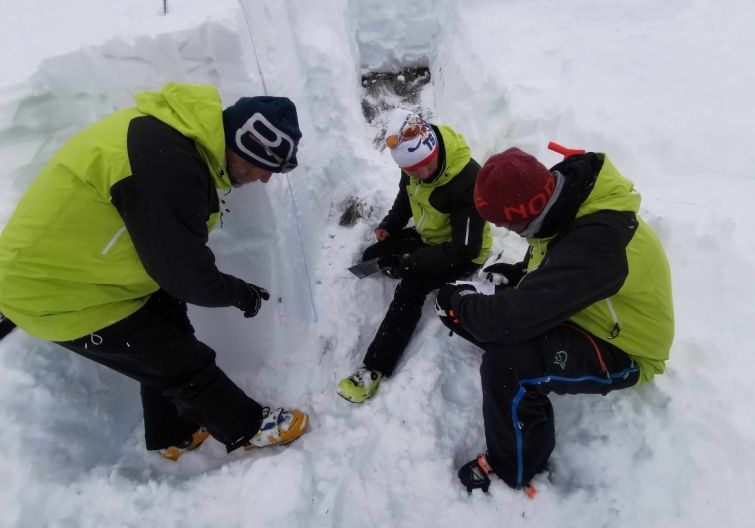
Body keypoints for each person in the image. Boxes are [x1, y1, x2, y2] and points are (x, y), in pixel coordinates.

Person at [0, 82, 309, 461]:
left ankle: (174, 432)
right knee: (179, 360)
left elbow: (172, 258)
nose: (265, 179)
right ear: (243, 148)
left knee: (167, 323)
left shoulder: (171, 139)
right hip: (54, 294)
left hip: (81, 270)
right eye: (267, 168)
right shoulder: (170, 168)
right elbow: (187, 276)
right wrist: (238, 293)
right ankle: (246, 427)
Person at [435, 144, 674, 493]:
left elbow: (515, 315)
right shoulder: (561, 201)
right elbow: (552, 259)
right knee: (472, 314)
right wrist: (519, 274)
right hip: (587, 313)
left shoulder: (597, 243)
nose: (507, 230)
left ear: (523, 213)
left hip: (625, 348)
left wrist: (461, 301)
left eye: (505, 224)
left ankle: (514, 466)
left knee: (506, 365)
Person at [337, 109, 493, 403]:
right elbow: (406, 197)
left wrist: (410, 263)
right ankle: (399, 263)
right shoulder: (411, 166)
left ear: (434, 150)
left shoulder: (468, 180)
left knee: (411, 286)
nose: (421, 174)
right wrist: (390, 225)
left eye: (425, 165)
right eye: (412, 171)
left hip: (463, 253)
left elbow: (466, 248)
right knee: (374, 255)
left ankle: (374, 368)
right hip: (429, 237)